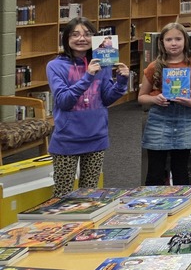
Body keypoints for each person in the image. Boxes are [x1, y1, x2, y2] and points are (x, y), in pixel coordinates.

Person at [46, 18, 130, 196]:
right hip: (67, 139)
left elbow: (106, 98)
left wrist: (122, 81)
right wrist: (88, 76)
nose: (81, 38)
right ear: (66, 38)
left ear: (95, 38)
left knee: (89, 194)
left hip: (96, 137)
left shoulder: (102, 64)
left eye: (87, 34)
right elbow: (64, 101)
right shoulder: (55, 66)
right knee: (62, 195)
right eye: (75, 34)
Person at [138, 22, 191, 187]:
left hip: (185, 120)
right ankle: (151, 202)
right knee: (155, 171)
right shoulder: (154, 66)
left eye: (178, 39)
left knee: (180, 170)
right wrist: (155, 99)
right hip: (159, 120)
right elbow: (141, 97)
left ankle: (181, 201)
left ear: (185, 41)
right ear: (162, 42)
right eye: (169, 40)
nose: (174, 43)